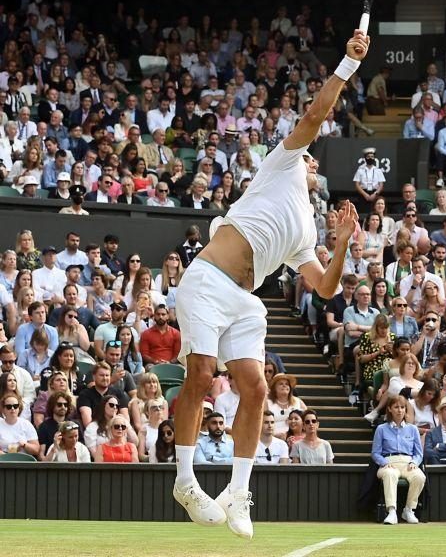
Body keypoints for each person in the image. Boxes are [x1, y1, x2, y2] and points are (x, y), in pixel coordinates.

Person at [171, 30, 369, 538]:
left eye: (312, 161)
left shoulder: (306, 229)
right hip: (208, 280)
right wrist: (346, 66)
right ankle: (186, 481)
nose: (312, 161)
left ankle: (238, 492)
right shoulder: (279, 164)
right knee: (201, 375)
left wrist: (342, 243)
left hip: (245, 301)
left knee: (256, 387)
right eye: (310, 158)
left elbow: (324, 288)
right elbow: (314, 117)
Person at [371, 395, 426, 525]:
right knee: (390, 475)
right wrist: (385, 463)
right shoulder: (381, 429)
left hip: (408, 463)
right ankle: (391, 511)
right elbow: (375, 453)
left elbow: (418, 453)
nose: (400, 410)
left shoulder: (413, 429)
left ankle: (409, 510)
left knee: (419, 477)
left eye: (402, 407)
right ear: (390, 409)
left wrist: (414, 462)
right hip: (389, 463)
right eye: (396, 407)